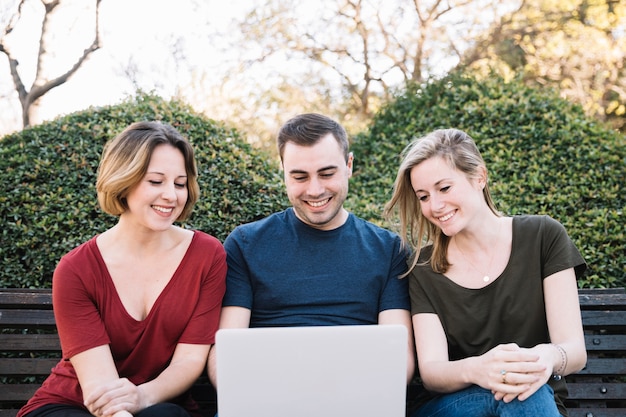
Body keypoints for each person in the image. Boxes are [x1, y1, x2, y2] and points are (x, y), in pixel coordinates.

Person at [17, 121, 227, 417]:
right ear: (123, 181)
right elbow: (99, 385)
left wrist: (141, 397)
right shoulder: (76, 269)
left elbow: (189, 360)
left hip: (158, 402)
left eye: (180, 183)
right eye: (156, 181)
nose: (171, 195)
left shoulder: (207, 255)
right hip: (76, 404)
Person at [384, 128, 587, 417]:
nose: (435, 206)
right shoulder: (424, 268)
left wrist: (544, 357)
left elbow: (574, 351)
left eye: (444, 188)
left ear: (479, 177)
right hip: (456, 407)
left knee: (523, 389)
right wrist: (480, 369)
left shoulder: (543, 236)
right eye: (423, 196)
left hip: (536, 398)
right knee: (518, 391)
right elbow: (432, 372)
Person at [207, 112, 415, 389]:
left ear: (349, 165)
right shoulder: (246, 244)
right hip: (266, 396)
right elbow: (226, 353)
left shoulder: (388, 250)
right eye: (300, 177)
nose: (315, 190)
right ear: (283, 170)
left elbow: (397, 358)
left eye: (327, 174)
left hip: (355, 396)